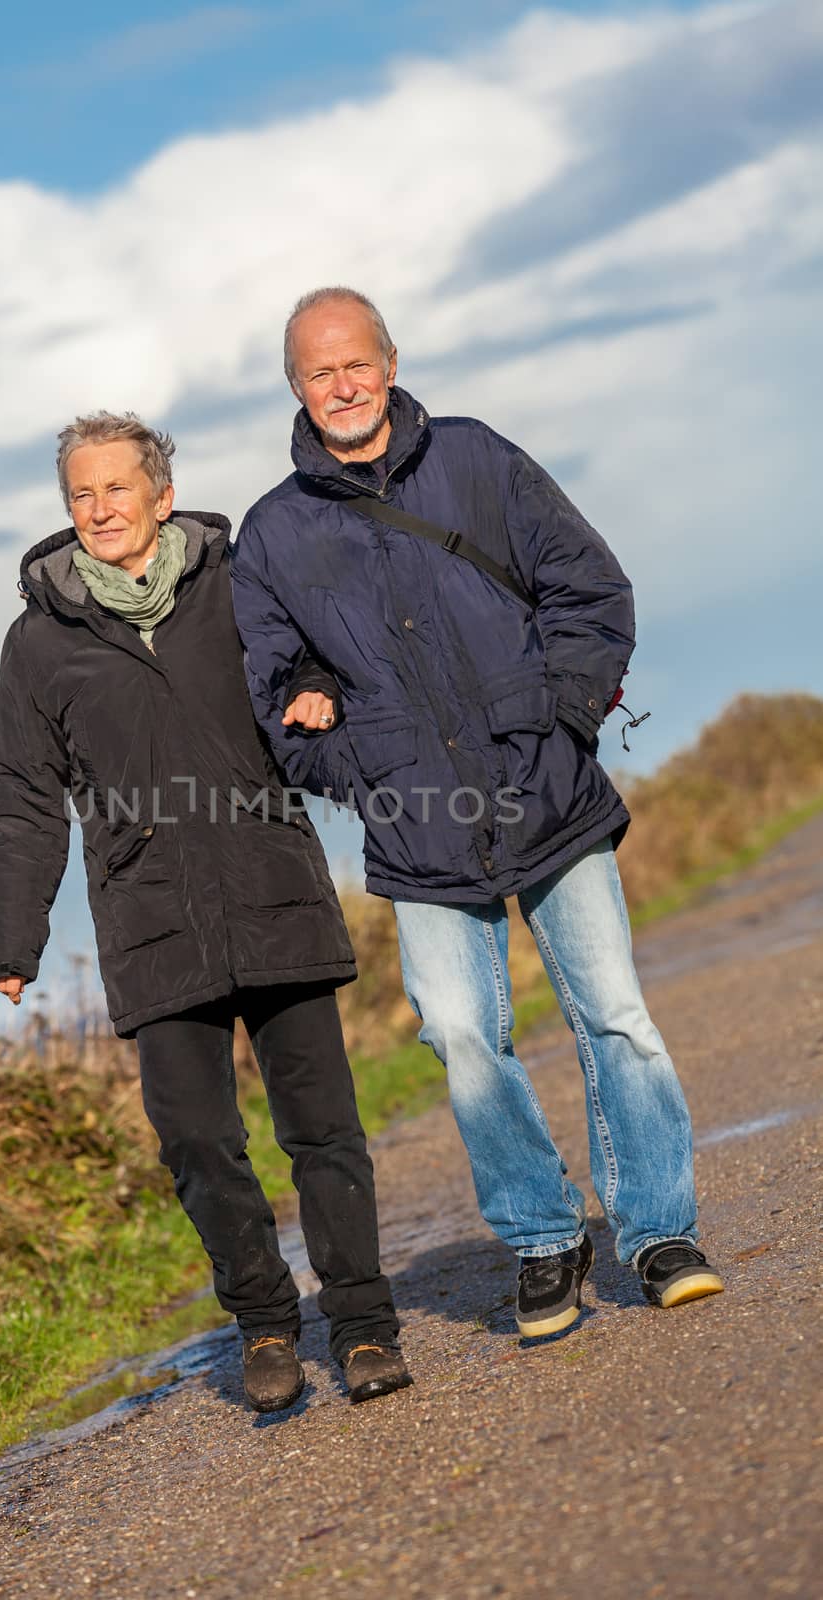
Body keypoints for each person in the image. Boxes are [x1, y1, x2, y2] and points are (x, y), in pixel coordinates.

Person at [230, 287, 724, 1338]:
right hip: (415, 826)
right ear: (296, 389)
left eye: (356, 362)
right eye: (320, 373)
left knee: (615, 1016)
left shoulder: (476, 458)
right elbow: (274, 703)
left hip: (545, 788)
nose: (343, 385)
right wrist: (357, 763)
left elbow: (588, 588)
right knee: (458, 1034)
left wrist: (563, 714)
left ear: (391, 362)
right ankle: (545, 1240)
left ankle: (657, 1230)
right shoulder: (272, 535)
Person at [0, 410, 412, 1409]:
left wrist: (314, 694)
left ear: (160, 495)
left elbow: (313, 655)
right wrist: (14, 937)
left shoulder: (237, 581)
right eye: (79, 494)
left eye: (114, 488)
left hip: (272, 886)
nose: (98, 509)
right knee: (194, 1140)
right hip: (149, 918)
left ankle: (361, 1324)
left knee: (323, 1128)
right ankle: (265, 1323)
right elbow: (21, 792)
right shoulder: (38, 644)